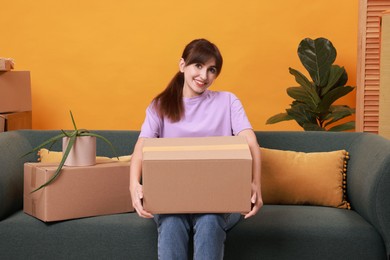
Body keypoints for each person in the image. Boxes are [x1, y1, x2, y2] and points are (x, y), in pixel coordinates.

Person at [129, 38, 262, 260]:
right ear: (183, 66)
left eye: (212, 70)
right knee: (172, 221)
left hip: (220, 198)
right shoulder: (160, 106)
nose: (204, 76)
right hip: (170, 199)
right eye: (198, 66)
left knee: (210, 219)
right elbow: (141, 147)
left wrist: (256, 184)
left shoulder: (228, 102)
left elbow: (251, 143)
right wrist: (134, 185)